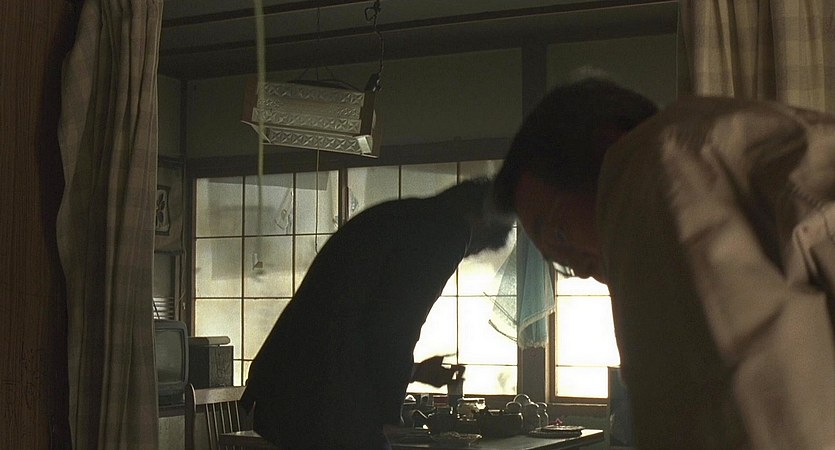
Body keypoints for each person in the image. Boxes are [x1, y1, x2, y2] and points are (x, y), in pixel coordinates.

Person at [493, 78, 835, 449]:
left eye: (559, 234)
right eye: (556, 261)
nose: (577, 268)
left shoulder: (660, 162)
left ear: (606, 142)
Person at [241, 177, 513, 449]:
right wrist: (388, 412)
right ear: (482, 219)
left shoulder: (402, 214)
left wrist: (415, 372)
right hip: (320, 392)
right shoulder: (446, 229)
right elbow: (398, 326)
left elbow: (365, 320)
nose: (466, 252)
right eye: (475, 247)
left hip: (288, 380)